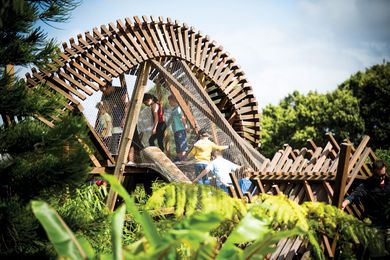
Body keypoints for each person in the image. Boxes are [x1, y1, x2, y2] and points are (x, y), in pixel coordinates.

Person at [341, 160, 390, 257]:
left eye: (383, 175)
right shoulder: (367, 185)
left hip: (389, 224)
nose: (381, 178)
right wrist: (345, 203)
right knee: (378, 254)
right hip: (374, 226)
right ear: (373, 172)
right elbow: (355, 195)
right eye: (378, 176)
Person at [167, 95, 188, 161]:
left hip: (180, 129)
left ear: (174, 101)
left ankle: (183, 159)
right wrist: (166, 125)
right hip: (176, 130)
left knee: (182, 144)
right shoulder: (174, 109)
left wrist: (185, 126)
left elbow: (182, 117)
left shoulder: (179, 108)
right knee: (178, 145)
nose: (169, 103)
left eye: (170, 101)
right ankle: (179, 158)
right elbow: (170, 120)